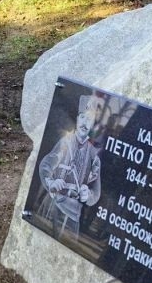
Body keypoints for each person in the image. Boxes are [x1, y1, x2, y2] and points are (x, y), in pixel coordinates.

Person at [37, 94, 105, 238]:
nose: (84, 123)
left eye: (89, 119)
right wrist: (51, 182)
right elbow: (46, 165)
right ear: (77, 118)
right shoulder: (65, 142)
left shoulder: (93, 155)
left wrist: (88, 196)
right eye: (82, 117)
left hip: (74, 216)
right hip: (53, 205)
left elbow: (96, 192)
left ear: (93, 124)